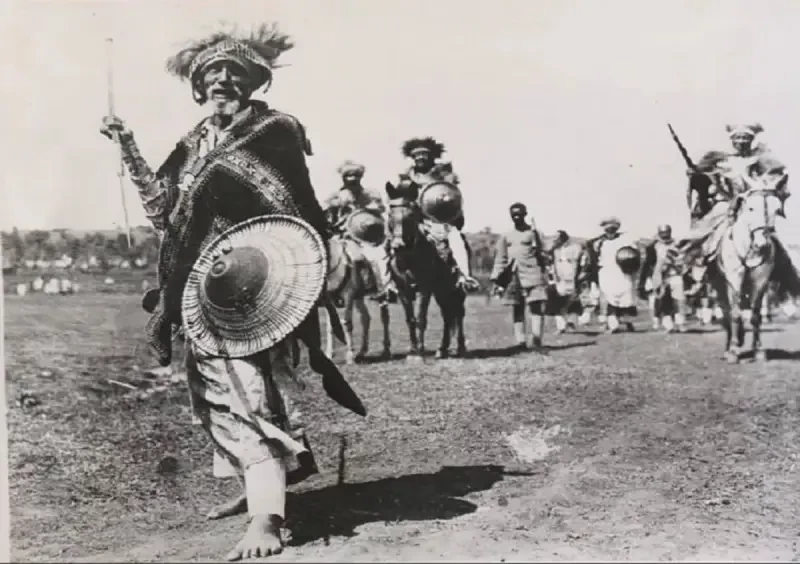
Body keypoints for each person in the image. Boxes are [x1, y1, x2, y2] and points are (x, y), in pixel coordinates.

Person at [99, 23, 364, 561]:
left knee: (252, 393)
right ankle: (258, 487)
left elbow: (298, 204)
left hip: (266, 281)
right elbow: (164, 213)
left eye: (233, 72)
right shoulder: (192, 143)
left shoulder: (275, 130)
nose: (222, 80)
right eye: (211, 74)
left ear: (253, 82)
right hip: (206, 287)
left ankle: (267, 518)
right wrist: (127, 146)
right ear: (198, 87)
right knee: (215, 393)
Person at [681, 123, 798, 295]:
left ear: (751, 140)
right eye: (738, 138)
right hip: (726, 202)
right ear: (733, 140)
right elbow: (702, 176)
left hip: (753, 201)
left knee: (775, 235)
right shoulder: (720, 160)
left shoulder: (761, 159)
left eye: (745, 138)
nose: (742, 141)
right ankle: (697, 271)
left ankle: (787, 276)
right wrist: (693, 174)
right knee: (701, 234)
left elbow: (776, 179)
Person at [394, 137, 477, 289]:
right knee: (395, 244)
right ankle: (391, 283)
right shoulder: (406, 178)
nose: (420, 158)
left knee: (455, 238)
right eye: (416, 155)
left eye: (424, 154)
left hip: (440, 221)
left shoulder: (444, 176)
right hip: (416, 220)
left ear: (431, 156)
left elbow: (451, 197)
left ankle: (465, 276)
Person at [323, 161, 393, 299]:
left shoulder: (370, 195)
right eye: (349, 176)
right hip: (345, 236)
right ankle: (337, 290)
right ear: (343, 178)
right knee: (353, 258)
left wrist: (370, 209)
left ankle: (385, 289)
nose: (352, 179)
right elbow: (328, 218)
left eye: (356, 175)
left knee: (380, 256)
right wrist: (336, 209)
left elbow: (380, 211)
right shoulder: (336, 197)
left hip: (368, 236)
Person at [490, 203, 551, 351]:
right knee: (517, 307)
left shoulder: (535, 233)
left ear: (525, 214)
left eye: (519, 214)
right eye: (514, 215)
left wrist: (539, 246)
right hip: (513, 274)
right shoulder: (506, 236)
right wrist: (496, 277)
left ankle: (537, 341)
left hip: (533, 273)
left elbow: (546, 252)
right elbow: (501, 257)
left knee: (536, 307)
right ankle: (520, 341)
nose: (516, 217)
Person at [593, 217, 640, 333]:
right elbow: (595, 257)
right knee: (609, 298)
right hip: (606, 273)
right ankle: (612, 324)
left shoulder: (626, 240)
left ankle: (627, 322)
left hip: (623, 272)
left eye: (612, 228)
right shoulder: (599, 242)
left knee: (626, 299)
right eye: (607, 229)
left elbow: (634, 255)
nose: (610, 231)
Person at [640, 224, 687, 333]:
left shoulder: (677, 244)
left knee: (679, 300)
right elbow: (648, 263)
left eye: (666, 233)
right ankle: (668, 324)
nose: (665, 235)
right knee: (663, 300)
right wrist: (645, 279)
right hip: (659, 276)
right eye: (662, 233)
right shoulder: (654, 246)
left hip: (675, 275)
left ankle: (681, 323)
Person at [547, 229, 588, 334]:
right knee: (557, 302)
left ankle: (571, 324)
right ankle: (560, 326)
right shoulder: (554, 250)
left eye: (557, 238)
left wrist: (582, 273)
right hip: (558, 279)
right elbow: (549, 261)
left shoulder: (576, 248)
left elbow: (584, 261)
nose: (555, 240)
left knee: (573, 301)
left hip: (573, 278)